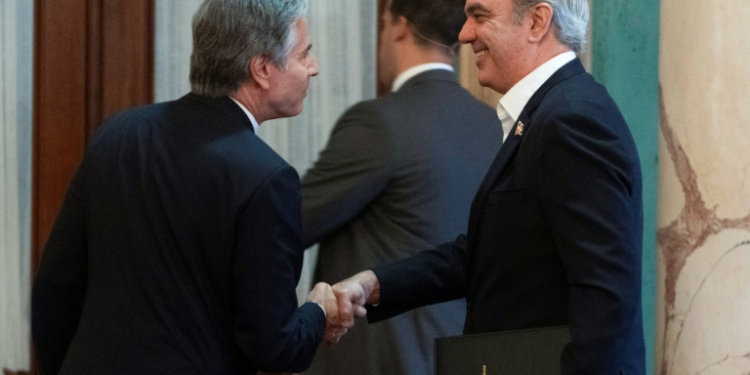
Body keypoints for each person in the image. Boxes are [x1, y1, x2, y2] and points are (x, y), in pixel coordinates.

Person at [31, 1, 345, 374]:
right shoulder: (267, 178)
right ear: (261, 68)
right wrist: (318, 312)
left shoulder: (117, 136)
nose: (314, 67)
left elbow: (55, 290)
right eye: (304, 54)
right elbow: (272, 346)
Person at [333, 0, 646, 373]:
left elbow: (605, 298)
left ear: (537, 21)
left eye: (480, 16)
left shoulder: (571, 120)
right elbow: (494, 253)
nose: (464, 34)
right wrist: (375, 284)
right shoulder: (547, 114)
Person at [300, 0, 501, 373]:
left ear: (398, 26)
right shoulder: (494, 126)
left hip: (385, 360)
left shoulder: (377, 123)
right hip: (464, 357)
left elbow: (291, 221)